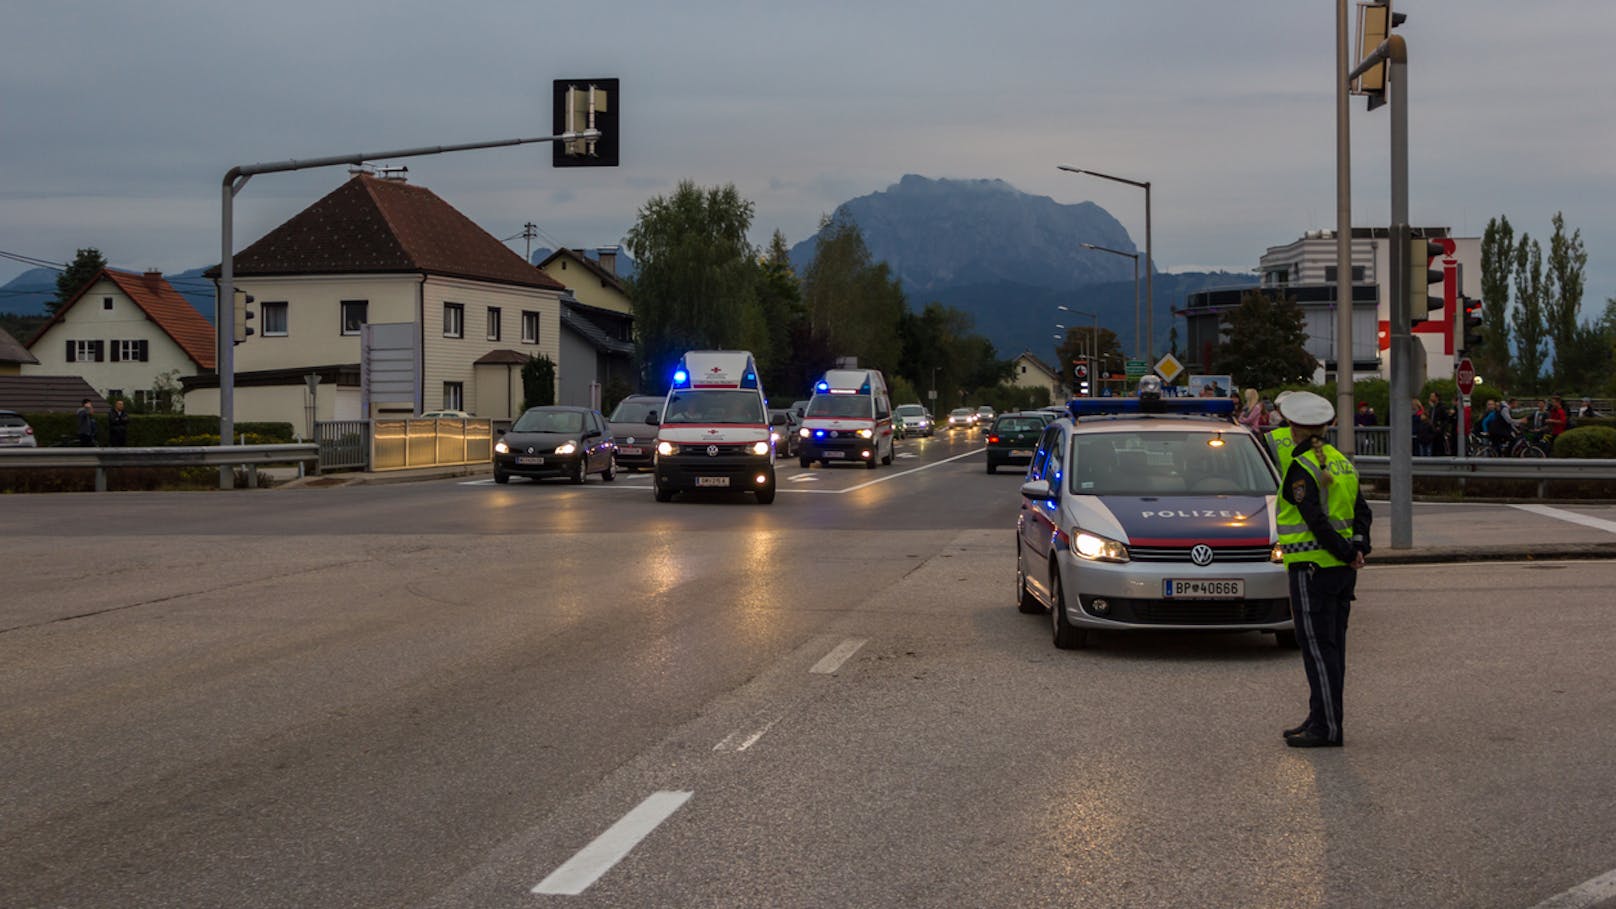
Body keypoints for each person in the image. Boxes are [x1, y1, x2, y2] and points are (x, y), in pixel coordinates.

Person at [1275, 391, 1372, 748]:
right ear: (1327, 428)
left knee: (1317, 649)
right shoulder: (1340, 462)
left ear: (1293, 428)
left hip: (1312, 569)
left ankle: (1327, 727)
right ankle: (1320, 716)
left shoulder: (1302, 467)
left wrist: (1347, 551)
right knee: (1331, 649)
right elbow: (1363, 512)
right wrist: (1359, 547)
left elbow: (1314, 519)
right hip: (1341, 572)